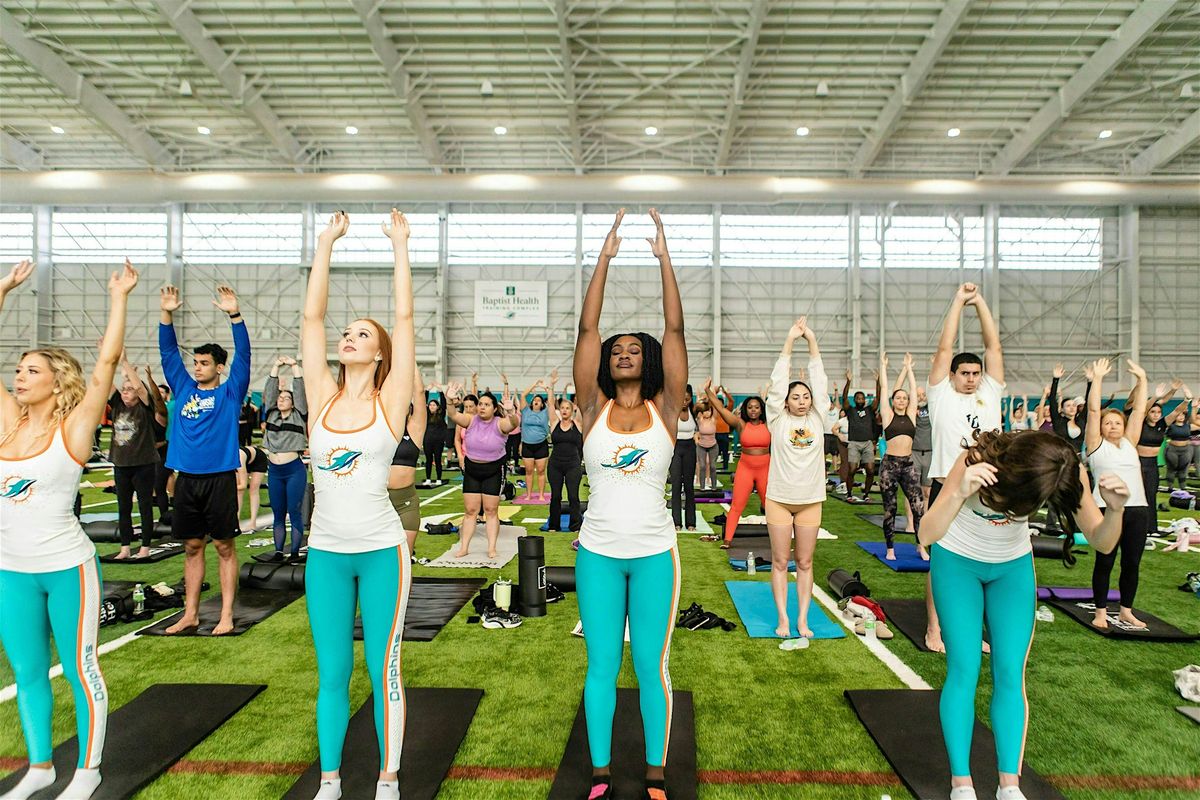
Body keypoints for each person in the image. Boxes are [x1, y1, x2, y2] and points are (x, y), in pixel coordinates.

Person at [919, 430, 1128, 800]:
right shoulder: (976, 459)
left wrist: (1114, 509)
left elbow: (1103, 540)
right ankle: (961, 784)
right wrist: (957, 492)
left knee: (1011, 674)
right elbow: (927, 533)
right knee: (965, 669)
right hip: (957, 564)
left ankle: (1008, 785)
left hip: (1011, 569)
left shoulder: (1062, 469)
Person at [1, 258, 138, 800]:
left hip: (66, 568)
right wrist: (4, 289)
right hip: (11, 570)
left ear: (58, 380)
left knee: (81, 668)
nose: (19, 376)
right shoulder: (8, 424)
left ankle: (88, 770)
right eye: (17, 368)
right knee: (29, 672)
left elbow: (105, 364)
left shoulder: (74, 426)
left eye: (32, 370)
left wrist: (120, 297)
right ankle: (39, 768)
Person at [571, 208, 687, 800]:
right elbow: (587, 330)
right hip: (596, 553)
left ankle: (655, 779)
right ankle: (597, 777)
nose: (619, 352)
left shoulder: (667, 414)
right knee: (599, 667)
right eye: (613, 349)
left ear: (644, 358)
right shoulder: (591, 412)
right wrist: (606, 259)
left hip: (653, 556)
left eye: (629, 348)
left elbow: (676, 332)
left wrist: (665, 257)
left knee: (650, 668)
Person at [301, 209, 416, 800]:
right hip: (324, 554)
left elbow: (403, 314)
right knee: (332, 674)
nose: (348, 337)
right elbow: (312, 316)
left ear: (379, 355)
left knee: (383, 666)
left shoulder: (391, 400)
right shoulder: (320, 393)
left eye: (362, 335)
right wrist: (325, 243)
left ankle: (387, 779)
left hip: (381, 553)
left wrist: (399, 246)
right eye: (348, 332)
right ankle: (329, 780)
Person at [158, 281, 251, 636]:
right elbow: (167, 353)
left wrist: (235, 316)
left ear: (219, 366)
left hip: (220, 479)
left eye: (204, 363)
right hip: (188, 480)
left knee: (224, 547)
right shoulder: (182, 388)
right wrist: (166, 313)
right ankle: (191, 613)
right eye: (195, 362)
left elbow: (244, 356)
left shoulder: (230, 392)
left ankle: (226, 614)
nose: (197, 368)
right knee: (192, 546)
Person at [924, 282, 1005, 654]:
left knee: (986, 560)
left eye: (975, 373)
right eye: (965, 373)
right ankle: (934, 630)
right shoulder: (941, 394)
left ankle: (975, 632)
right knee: (942, 561)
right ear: (953, 376)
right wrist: (958, 300)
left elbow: (994, 347)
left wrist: (982, 303)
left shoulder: (991, 392)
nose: (971, 378)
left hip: (988, 491)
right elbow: (944, 348)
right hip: (948, 488)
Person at [761, 317, 829, 645]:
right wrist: (789, 342)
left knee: (804, 561)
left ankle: (802, 616)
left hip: (810, 500)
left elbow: (819, 377)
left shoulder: (819, 417)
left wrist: (812, 341)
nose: (802, 399)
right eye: (796, 396)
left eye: (805, 396)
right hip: (779, 498)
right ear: (786, 402)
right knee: (780, 560)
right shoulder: (777, 419)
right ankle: (783, 617)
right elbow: (778, 382)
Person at [1085, 357, 1154, 630]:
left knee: (1132, 563)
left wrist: (1142, 379)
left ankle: (1126, 610)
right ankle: (1100, 612)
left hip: (1137, 509)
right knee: (1105, 561)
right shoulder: (1095, 446)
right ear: (1101, 428)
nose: (1113, 426)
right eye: (1108, 423)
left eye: (1117, 422)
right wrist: (1098, 379)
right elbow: (1092, 411)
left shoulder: (1129, 443)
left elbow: (1139, 412)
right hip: (1106, 509)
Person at [446, 386, 519, 560]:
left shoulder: (500, 423)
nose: (482, 407)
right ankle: (464, 547)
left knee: (490, 510)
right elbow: (453, 415)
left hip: (493, 470)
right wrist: (449, 401)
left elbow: (514, 424)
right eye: (480, 404)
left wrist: (510, 411)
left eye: (487, 404)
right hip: (472, 469)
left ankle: (491, 548)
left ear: (494, 408)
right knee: (471, 510)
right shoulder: (470, 420)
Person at [107, 352, 159, 559]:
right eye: (124, 389)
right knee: (123, 507)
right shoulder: (117, 406)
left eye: (130, 390)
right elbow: (106, 382)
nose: (126, 392)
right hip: (121, 464)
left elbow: (139, 387)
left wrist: (124, 362)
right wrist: (107, 355)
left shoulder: (145, 408)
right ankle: (125, 547)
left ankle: (145, 546)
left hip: (143, 463)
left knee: (145, 505)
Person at [706, 386, 770, 548]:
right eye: (750, 407)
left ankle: (779, 540)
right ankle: (727, 540)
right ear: (745, 410)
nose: (753, 410)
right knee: (737, 505)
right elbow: (720, 408)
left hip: (766, 468)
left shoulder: (770, 424)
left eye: (756, 407)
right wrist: (708, 391)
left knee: (770, 507)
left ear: (762, 410)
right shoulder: (741, 424)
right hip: (745, 468)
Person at [878, 352, 925, 561]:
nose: (902, 400)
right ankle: (890, 548)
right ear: (893, 401)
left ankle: (921, 545)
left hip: (908, 464)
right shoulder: (888, 415)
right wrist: (883, 367)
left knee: (918, 508)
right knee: (890, 509)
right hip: (889, 465)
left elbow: (914, 391)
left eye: (904, 398)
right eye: (898, 397)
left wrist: (909, 368)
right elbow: (885, 390)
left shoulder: (911, 415)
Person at [261, 356, 308, 562]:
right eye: (280, 398)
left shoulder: (299, 414)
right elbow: (270, 391)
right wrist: (275, 367)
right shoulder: (271, 414)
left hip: (294, 470)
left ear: (293, 403)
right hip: (275, 472)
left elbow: (300, 391)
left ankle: (295, 552)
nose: (281, 400)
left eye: (286, 398)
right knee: (278, 512)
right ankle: (279, 552)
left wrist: (294, 367)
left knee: (293, 511)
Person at [388, 365, 428, 555]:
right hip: (375, 501)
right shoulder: (377, 428)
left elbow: (419, 394)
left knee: (404, 559)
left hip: (405, 503)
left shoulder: (413, 430)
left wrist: (409, 363)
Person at [547, 375, 584, 533]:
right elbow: (549, 404)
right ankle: (554, 526)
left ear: (572, 410)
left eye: (567, 408)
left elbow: (583, 405)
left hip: (572, 464)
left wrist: (581, 385)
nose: (564, 410)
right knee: (555, 496)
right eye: (562, 408)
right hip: (555, 464)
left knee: (573, 497)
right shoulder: (555, 423)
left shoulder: (578, 423)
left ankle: (575, 525)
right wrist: (551, 387)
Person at [841, 372, 880, 503]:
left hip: (867, 443)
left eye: (861, 398)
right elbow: (844, 397)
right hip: (854, 443)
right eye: (857, 398)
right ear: (855, 400)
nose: (860, 400)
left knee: (870, 470)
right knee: (852, 469)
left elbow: (878, 399)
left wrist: (878, 382)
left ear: (864, 400)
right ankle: (850, 494)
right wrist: (848, 381)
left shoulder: (870, 410)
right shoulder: (850, 410)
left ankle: (866, 494)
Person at [516, 376, 552, 501]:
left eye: (539, 400)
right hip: (527, 445)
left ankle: (541, 495)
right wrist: (534, 385)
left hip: (541, 445)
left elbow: (551, 401)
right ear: (532, 402)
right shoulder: (525, 411)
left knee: (541, 471)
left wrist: (546, 388)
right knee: (529, 471)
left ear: (542, 404)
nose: (536, 401)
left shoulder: (545, 412)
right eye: (534, 400)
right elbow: (523, 396)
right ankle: (529, 495)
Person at [144, 368, 171, 524]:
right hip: (148, 455)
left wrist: (149, 379)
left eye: (162, 392)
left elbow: (157, 398)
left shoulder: (162, 411)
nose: (158, 395)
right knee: (149, 488)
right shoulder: (147, 411)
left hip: (162, 454)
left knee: (160, 486)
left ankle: (165, 517)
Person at [670, 387, 697, 531]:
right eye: (682, 399)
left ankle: (691, 522)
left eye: (687, 399)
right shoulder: (672, 412)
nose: (684, 402)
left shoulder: (694, 410)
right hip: (675, 448)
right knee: (676, 484)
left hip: (690, 448)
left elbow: (711, 407)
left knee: (689, 486)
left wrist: (708, 392)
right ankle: (676, 523)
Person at [1164, 390, 1194, 491]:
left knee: (1183, 469)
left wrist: (1194, 407)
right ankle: (1170, 487)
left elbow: (1195, 422)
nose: (1180, 417)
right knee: (1172, 468)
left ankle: (1182, 487)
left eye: (1182, 415)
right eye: (1178, 415)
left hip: (1186, 449)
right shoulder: (1170, 426)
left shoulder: (1188, 426)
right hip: (1172, 449)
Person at [236, 441, 268, 532]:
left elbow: (243, 485)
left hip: (258, 459)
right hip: (245, 459)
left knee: (253, 490)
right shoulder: (226, 461)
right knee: (238, 493)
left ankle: (253, 523)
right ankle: (235, 523)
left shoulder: (238, 459)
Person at [422, 391, 447, 485]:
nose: (432, 406)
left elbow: (444, 405)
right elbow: (423, 403)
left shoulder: (441, 415)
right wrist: (426, 392)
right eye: (430, 405)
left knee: (437, 459)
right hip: (427, 441)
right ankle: (428, 478)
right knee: (428, 460)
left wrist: (441, 392)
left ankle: (439, 479)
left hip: (438, 442)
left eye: (434, 405)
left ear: (437, 407)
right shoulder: (426, 415)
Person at [694, 400, 718, 491]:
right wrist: (701, 400)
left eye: (709, 411)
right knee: (702, 466)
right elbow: (696, 408)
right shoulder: (699, 419)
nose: (707, 413)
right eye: (705, 411)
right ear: (701, 413)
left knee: (712, 466)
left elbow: (716, 407)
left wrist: (711, 393)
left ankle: (714, 486)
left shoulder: (713, 419)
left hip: (713, 446)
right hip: (701, 446)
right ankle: (702, 487)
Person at [711, 384, 734, 471]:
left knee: (725, 452)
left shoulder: (727, 410)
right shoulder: (713, 410)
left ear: (723, 404)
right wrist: (716, 392)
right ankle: (712, 467)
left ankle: (725, 467)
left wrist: (725, 392)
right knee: (714, 452)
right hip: (715, 434)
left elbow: (731, 401)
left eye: (720, 403)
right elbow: (711, 400)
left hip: (724, 434)